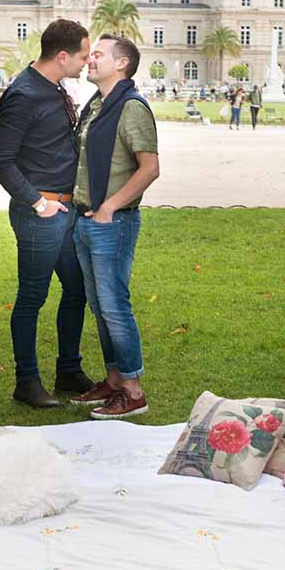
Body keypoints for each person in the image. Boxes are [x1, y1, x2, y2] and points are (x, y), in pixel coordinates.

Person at [0, 19, 96, 408]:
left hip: (65, 209)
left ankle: (68, 371)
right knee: (32, 296)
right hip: (41, 214)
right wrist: (39, 203)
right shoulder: (25, 94)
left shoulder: (53, 88)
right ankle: (26, 382)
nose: (86, 62)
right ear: (63, 56)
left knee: (77, 288)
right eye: (83, 55)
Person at [68, 34, 160, 419]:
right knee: (100, 306)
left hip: (113, 222)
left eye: (99, 55)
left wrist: (109, 207)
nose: (90, 59)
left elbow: (150, 167)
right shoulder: (99, 105)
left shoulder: (131, 108)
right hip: (86, 219)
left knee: (115, 307)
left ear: (122, 64)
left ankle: (134, 391)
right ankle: (113, 381)